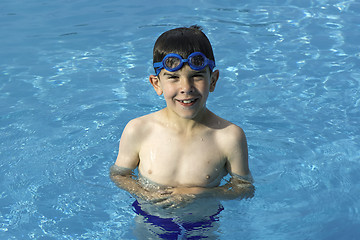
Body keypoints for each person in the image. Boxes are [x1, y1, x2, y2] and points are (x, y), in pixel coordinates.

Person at [110, 25, 254, 209]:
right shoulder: (139, 129)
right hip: (152, 218)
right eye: (173, 77)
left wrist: (198, 194)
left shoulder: (228, 136)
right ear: (156, 84)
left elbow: (244, 188)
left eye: (196, 76)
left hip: (203, 222)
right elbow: (119, 175)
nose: (186, 87)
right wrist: (144, 193)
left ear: (213, 80)